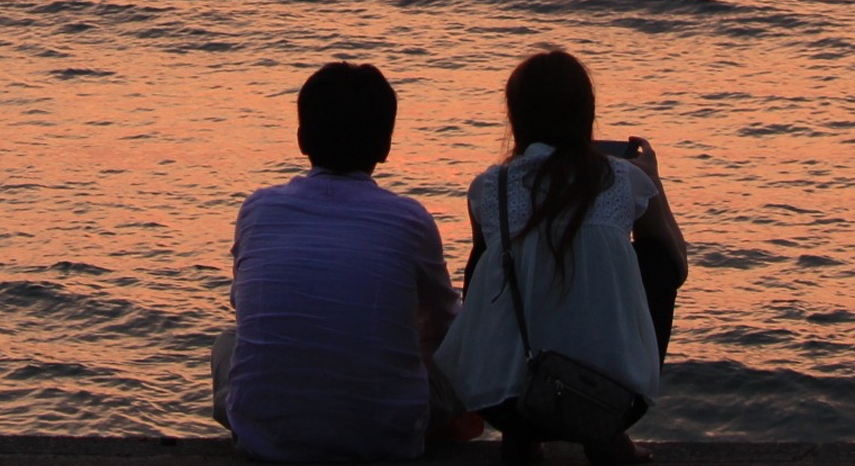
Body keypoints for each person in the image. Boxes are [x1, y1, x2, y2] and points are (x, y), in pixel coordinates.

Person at [433, 51, 689, 464]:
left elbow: (480, 285)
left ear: (517, 118)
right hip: (613, 401)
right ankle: (605, 437)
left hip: (502, 402)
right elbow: (677, 265)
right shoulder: (624, 180)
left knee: (487, 262)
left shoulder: (490, 188)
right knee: (657, 258)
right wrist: (654, 183)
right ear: (586, 116)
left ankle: (520, 435)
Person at [216, 62, 465, 461]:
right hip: (385, 444)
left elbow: (243, 308)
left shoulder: (257, 209)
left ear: (301, 139)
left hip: (264, 443)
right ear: (385, 146)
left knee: (228, 343)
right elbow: (446, 324)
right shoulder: (409, 219)